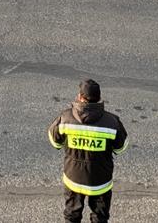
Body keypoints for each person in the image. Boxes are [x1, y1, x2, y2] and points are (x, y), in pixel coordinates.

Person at [47, 79, 128, 223]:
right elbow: (121, 147)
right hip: (100, 182)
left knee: (72, 216)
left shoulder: (65, 118)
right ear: (99, 98)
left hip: (73, 180)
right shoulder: (112, 122)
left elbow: (55, 142)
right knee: (100, 218)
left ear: (80, 97)